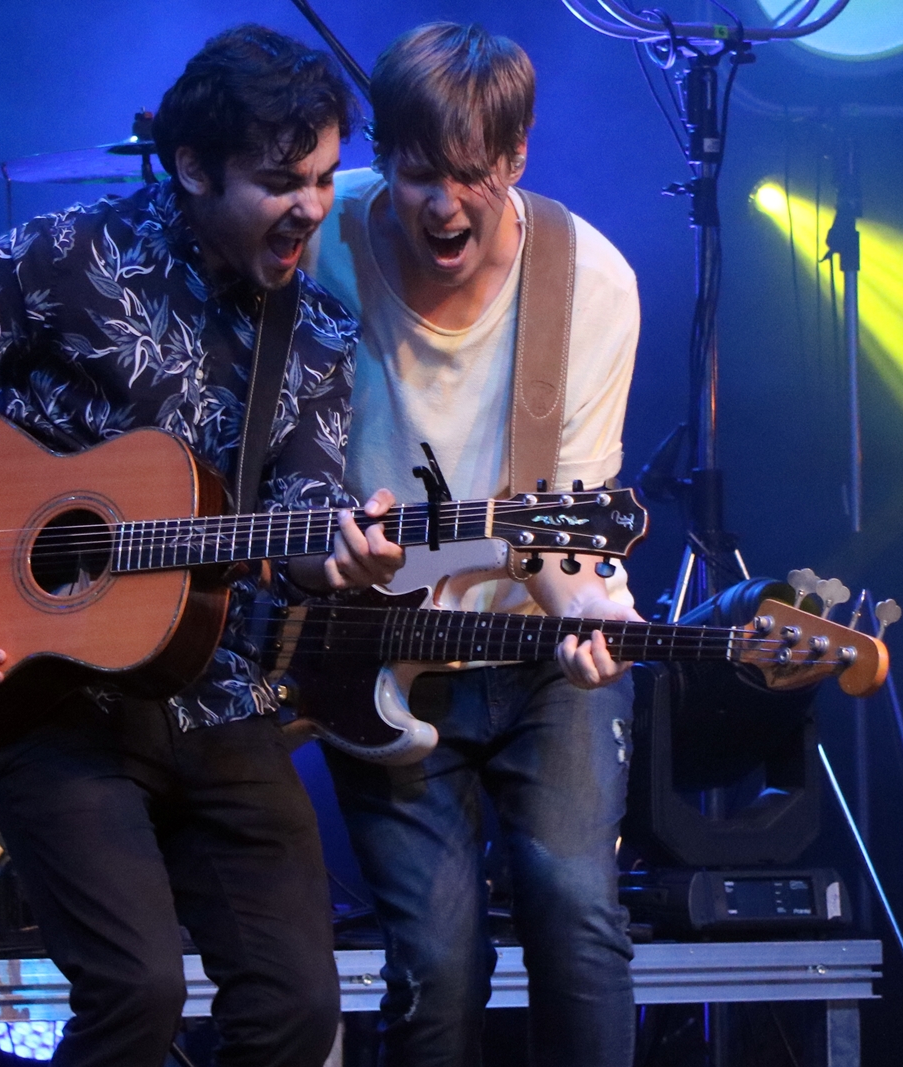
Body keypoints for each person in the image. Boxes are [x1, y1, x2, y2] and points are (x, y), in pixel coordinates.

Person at [0, 26, 403, 1067]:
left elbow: (304, 513)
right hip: (53, 703)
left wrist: (344, 553)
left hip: (218, 695)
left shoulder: (316, 331)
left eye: (321, 178)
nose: (312, 207)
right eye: (280, 182)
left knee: (299, 1008)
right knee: (136, 990)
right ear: (192, 167)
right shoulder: (67, 256)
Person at [300, 23, 642, 1067]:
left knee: (576, 914)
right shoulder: (320, 243)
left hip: (536, 650)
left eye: (470, 175)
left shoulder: (591, 281)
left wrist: (588, 611)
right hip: (378, 651)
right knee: (436, 967)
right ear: (380, 158)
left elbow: (567, 517)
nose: (443, 206)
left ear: (518, 154)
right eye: (416, 174)